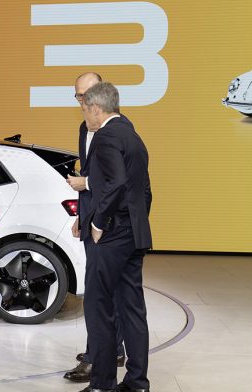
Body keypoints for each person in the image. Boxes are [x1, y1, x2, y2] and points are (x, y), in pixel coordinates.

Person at [78, 82, 152, 392]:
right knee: (132, 309)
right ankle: (137, 382)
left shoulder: (107, 135)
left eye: (85, 109)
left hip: (112, 236)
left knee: (98, 306)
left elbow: (116, 183)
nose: (85, 117)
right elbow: (143, 190)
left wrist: (99, 222)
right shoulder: (132, 135)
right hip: (134, 234)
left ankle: (103, 383)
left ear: (96, 108)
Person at [65, 72, 126, 383]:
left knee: (96, 295)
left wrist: (86, 183)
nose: (82, 102)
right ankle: (112, 349)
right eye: (78, 96)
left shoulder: (117, 130)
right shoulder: (83, 127)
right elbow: (89, 172)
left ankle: (94, 359)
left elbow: (115, 179)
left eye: (86, 95)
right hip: (93, 214)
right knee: (103, 291)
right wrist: (81, 215)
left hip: (110, 223)